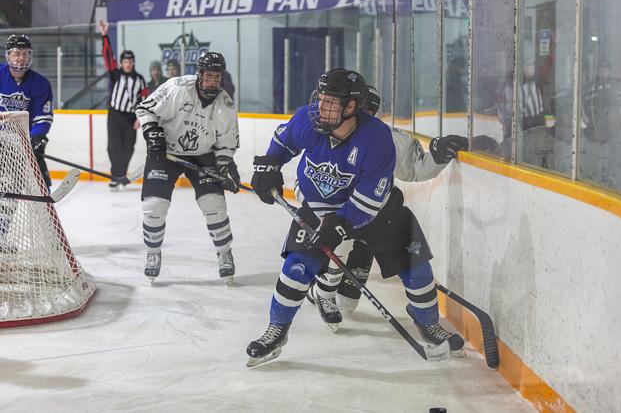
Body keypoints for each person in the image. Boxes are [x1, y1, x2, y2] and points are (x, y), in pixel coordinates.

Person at [246, 68, 467, 366]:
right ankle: (277, 330)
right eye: (320, 98)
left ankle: (428, 323)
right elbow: (283, 142)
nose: (320, 107)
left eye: (330, 102)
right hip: (321, 207)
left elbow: (368, 202)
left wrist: (340, 226)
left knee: (417, 269)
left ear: (351, 106)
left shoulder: (378, 139)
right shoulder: (308, 119)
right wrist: (270, 165)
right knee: (297, 267)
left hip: (378, 212)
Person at [306, 85, 469, 329]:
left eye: (367, 111)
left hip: (372, 221)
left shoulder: (384, 138)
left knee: (347, 303)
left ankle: (427, 321)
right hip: (339, 220)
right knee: (338, 251)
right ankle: (322, 293)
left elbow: (416, 169)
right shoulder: (324, 134)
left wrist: (438, 156)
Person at [135, 51, 241, 283]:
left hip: (203, 156)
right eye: (208, 75)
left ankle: (224, 253)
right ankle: (153, 253)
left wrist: (224, 168)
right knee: (154, 207)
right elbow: (145, 109)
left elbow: (226, 145)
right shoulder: (178, 88)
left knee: (214, 205)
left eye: (216, 76)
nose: (212, 81)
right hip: (166, 152)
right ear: (199, 74)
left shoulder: (225, 105)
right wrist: (153, 135)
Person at [99, 19, 148, 191]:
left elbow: (144, 100)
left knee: (128, 148)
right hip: (115, 114)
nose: (128, 64)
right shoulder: (116, 74)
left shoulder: (140, 79)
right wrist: (105, 35)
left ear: (133, 63)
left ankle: (120, 175)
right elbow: (107, 56)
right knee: (114, 146)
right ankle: (116, 176)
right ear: (122, 63)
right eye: (125, 61)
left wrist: (139, 119)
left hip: (130, 117)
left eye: (130, 61)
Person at [0, 34, 54, 188]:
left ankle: (43, 193)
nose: (21, 58)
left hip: (22, 138)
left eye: (25, 53)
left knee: (36, 162)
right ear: (8, 55)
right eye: (16, 53)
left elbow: (42, 116)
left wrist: (37, 138)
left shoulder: (41, 83)